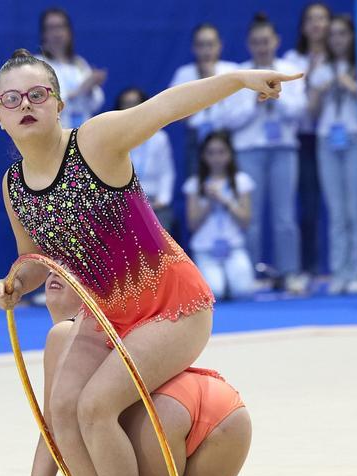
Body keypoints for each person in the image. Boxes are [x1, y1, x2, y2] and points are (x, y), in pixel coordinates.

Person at [0, 47, 299, 476]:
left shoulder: (94, 142)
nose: (26, 104)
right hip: (105, 315)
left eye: (38, 94)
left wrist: (238, 79)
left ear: (60, 103)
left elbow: (166, 107)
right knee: (63, 410)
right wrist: (12, 286)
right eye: (12, 99)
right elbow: (33, 259)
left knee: (95, 407)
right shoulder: (13, 186)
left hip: (171, 304)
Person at [14, 275, 289, 476]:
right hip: (222, 406)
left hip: (166, 416)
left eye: (70, 269)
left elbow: (52, 431)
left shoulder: (66, 332)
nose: (56, 273)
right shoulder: (131, 313)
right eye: (52, 268)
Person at [223, 13, 311, 295]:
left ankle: (290, 273)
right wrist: (254, 97)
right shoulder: (239, 74)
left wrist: (276, 95)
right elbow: (230, 119)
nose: (262, 47)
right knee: (252, 217)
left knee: (285, 216)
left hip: (284, 148)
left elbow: (300, 111)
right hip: (249, 149)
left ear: (276, 41)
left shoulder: (290, 69)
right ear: (249, 45)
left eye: (266, 41)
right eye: (256, 42)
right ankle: (250, 274)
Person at [307, 14, 357, 296]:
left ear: (352, 36)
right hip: (327, 140)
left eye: (343, 34)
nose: (337, 39)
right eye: (333, 35)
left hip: (354, 137)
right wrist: (319, 92)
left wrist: (352, 87)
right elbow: (311, 113)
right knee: (337, 211)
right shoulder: (321, 68)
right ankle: (339, 272)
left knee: (355, 209)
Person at [283, 3, 332, 279]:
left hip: (336, 135)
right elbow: (296, 100)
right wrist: (312, 74)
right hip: (303, 137)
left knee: (343, 204)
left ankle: (344, 266)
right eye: (311, 19)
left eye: (322, 19)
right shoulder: (292, 59)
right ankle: (308, 266)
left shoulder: (341, 55)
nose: (317, 24)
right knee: (308, 205)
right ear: (303, 27)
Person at [185, 132, 258, 300]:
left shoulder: (241, 181)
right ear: (203, 156)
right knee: (215, 291)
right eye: (211, 153)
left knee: (243, 291)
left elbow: (245, 221)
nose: (216, 158)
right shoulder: (195, 184)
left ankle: (229, 279)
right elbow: (192, 224)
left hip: (233, 248)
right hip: (206, 250)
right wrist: (209, 203)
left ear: (230, 154)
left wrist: (225, 201)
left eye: (221, 152)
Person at [170, 23, 240, 174]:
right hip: (196, 138)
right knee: (195, 184)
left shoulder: (232, 71)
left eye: (210, 44)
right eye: (201, 45)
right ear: (193, 48)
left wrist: (215, 83)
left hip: (225, 135)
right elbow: (173, 113)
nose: (206, 50)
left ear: (220, 45)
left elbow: (237, 110)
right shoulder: (184, 74)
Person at [118, 87, 177, 232]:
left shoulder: (159, 138)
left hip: (155, 202)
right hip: (127, 204)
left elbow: (166, 172)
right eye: (126, 104)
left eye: (135, 103)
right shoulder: (115, 139)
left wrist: (162, 201)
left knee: (162, 247)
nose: (131, 108)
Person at [38, 7, 107, 129]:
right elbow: (44, 103)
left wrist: (91, 88)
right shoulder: (38, 64)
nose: (57, 33)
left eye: (60, 27)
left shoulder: (79, 63)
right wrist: (81, 90)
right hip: (54, 135)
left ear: (69, 32)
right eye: (51, 28)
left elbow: (96, 102)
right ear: (44, 34)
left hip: (83, 134)